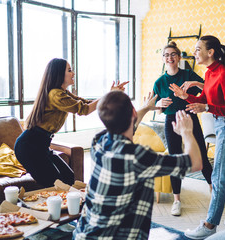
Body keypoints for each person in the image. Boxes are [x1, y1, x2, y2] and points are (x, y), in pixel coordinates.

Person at [73, 90, 203, 240]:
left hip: (83, 233)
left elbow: (128, 127)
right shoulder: (138, 157)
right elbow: (195, 163)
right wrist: (187, 132)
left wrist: (146, 107)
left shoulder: (98, 141)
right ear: (133, 113)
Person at [169, 35, 225, 239]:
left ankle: (210, 225)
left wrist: (206, 107)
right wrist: (186, 97)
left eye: (197, 49)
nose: (195, 53)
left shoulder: (224, 74)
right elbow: (203, 99)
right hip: (224, 125)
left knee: (218, 176)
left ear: (210, 52)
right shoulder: (210, 73)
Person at [15, 58, 128, 187]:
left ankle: (66, 206)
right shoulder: (56, 95)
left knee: (68, 177)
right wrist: (109, 95)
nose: (73, 73)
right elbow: (85, 110)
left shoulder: (62, 93)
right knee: (54, 183)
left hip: (41, 145)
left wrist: (110, 94)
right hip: (29, 147)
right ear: (59, 74)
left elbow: (85, 103)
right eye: (69, 70)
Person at [153, 41, 213, 216]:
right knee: (174, 160)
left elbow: (208, 88)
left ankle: (213, 192)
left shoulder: (187, 73)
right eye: (166, 55)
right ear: (163, 59)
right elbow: (155, 107)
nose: (170, 57)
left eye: (173, 54)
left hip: (189, 117)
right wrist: (158, 104)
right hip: (171, 120)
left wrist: (195, 82)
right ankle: (176, 200)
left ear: (178, 57)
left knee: (202, 155)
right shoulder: (159, 82)